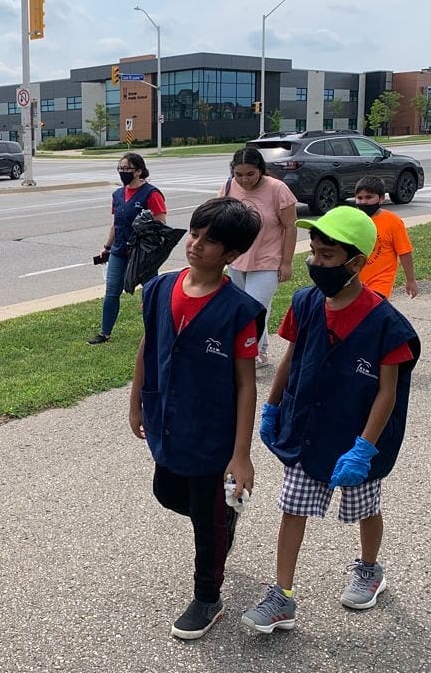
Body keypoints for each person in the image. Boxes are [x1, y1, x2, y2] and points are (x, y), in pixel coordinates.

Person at [242, 206, 420, 634]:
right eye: (314, 253)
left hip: (355, 434)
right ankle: (282, 595)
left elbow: (387, 391)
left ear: (356, 262)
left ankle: (369, 568)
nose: (315, 263)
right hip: (307, 429)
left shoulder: (386, 324)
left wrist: (365, 447)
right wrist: (272, 407)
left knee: (364, 505)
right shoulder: (305, 303)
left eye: (327, 256)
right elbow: (289, 359)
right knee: (292, 507)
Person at [129, 197, 264, 640]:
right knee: (167, 491)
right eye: (195, 233)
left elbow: (246, 384)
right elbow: (147, 349)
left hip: (212, 433)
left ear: (231, 255)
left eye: (210, 242)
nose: (196, 244)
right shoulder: (160, 289)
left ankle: (208, 596)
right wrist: (135, 403)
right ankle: (224, 522)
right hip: (167, 419)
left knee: (206, 525)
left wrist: (241, 455)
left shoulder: (240, 311)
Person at [219, 147, 297, 367]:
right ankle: (256, 350)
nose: (244, 180)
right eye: (239, 174)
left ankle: (252, 353)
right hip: (237, 259)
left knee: (253, 308)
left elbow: (290, 227)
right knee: (245, 307)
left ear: (261, 170)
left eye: (250, 174)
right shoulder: (228, 187)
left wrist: (287, 262)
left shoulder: (278, 189)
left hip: (267, 260)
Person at [88, 152, 167, 344]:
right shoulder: (118, 194)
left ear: (139, 171)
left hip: (142, 252)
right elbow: (116, 223)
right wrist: (106, 247)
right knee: (112, 291)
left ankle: (155, 331)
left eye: (127, 169)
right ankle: (105, 332)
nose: (123, 172)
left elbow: (161, 221)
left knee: (150, 291)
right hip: (119, 250)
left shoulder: (151, 193)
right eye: (120, 169)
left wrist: (146, 233)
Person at [354, 175, 419, 299]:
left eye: (369, 197)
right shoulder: (353, 220)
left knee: (373, 311)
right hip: (356, 281)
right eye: (359, 198)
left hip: (380, 282)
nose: (363, 202)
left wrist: (411, 280)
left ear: (382, 198)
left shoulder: (392, 221)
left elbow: (405, 252)